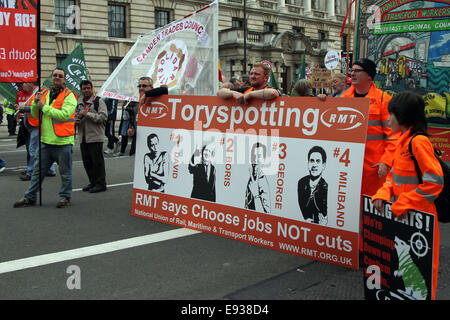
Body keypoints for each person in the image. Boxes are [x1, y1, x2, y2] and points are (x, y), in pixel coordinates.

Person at [371, 91, 443, 300]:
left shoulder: (417, 142)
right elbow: (394, 178)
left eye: (392, 114)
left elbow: (435, 182)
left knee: (422, 274)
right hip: (404, 217)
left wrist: (403, 202)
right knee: (404, 270)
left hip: (420, 219)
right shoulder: (403, 140)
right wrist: (383, 194)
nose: (388, 118)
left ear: (402, 115)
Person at [13, 67, 77, 208]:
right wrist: (36, 104)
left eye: (60, 76)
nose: (57, 77)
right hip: (46, 141)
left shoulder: (69, 95)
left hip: (63, 142)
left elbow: (64, 115)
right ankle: (30, 196)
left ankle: (65, 197)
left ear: (64, 79)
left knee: (65, 174)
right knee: (37, 172)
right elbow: (37, 115)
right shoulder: (45, 93)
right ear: (51, 77)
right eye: (55, 75)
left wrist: (44, 107)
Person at [341, 58, 396, 198]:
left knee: (370, 208)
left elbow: (393, 137)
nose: (352, 74)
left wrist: (386, 161)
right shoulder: (343, 98)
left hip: (374, 169)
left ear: (369, 77)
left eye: (357, 71)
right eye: (351, 70)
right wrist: (321, 101)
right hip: (347, 165)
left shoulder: (384, 100)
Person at [15, 81, 56, 181]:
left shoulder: (40, 93)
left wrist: (24, 108)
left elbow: (40, 107)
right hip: (33, 126)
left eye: (24, 83)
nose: (22, 86)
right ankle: (50, 170)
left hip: (37, 125)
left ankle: (31, 172)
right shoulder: (34, 93)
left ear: (30, 83)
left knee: (33, 150)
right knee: (42, 149)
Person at [75, 80, 108, 193]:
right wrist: (76, 120)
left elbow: (103, 117)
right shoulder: (78, 102)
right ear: (81, 90)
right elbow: (75, 115)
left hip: (95, 136)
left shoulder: (98, 101)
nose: (86, 90)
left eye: (88, 88)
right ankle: (93, 182)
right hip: (83, 137)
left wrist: (87, 114)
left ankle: (101, 184)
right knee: (87, 162)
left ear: (92, 88)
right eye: (84, 88)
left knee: (97, 162)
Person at [297, 146, 328, 225]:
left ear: (323, 165)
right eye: (312, 161)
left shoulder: (326, 187)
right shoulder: (301, 183)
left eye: (318, 161)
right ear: (308, 163)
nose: (314, 165)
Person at [245, 142, 271, 213]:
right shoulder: (252, 178)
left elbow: (266, 216)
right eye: (253, 156)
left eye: (259, 156)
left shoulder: (263, 183)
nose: (255, 160)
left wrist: (256, 195)